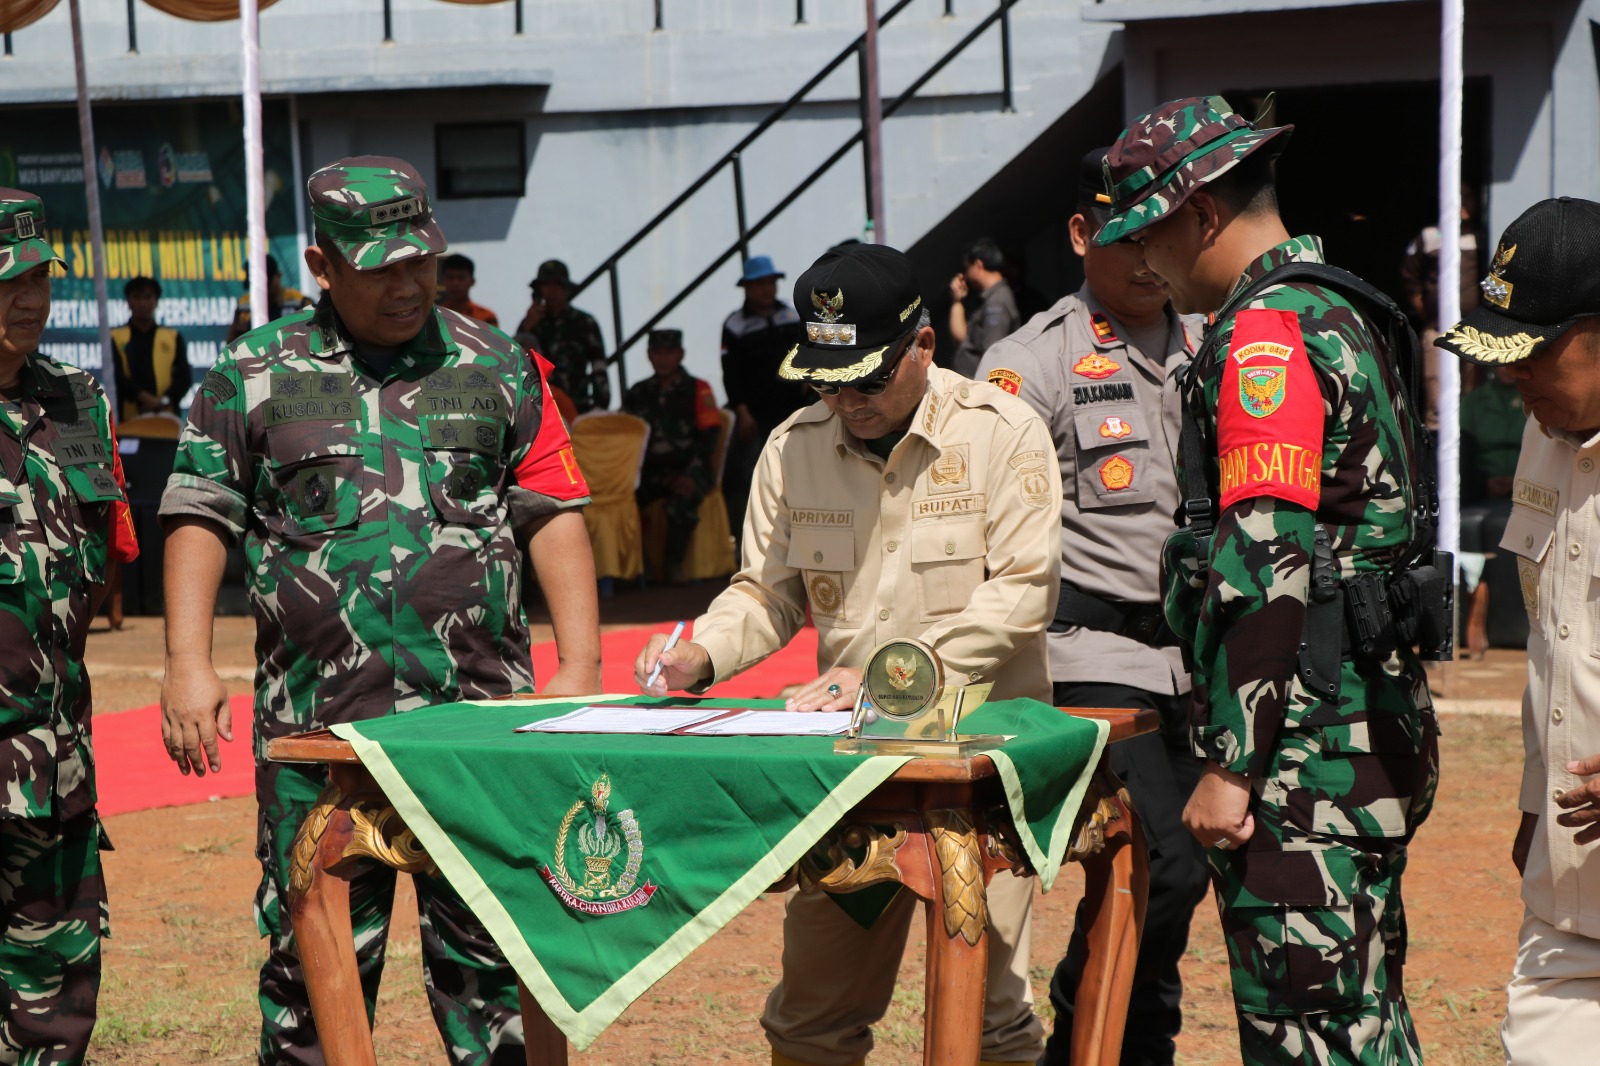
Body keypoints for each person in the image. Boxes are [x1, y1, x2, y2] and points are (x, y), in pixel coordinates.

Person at [157, 155, 602, 1066]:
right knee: (310, 980)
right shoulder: (252, 372)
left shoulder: (498, 364)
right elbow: (200, 512)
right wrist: (187, 661)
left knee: (497, 967)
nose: (407, 286)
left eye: (421, 263)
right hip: (318, 732)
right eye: (380, 269)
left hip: (477, 728)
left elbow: (552, 509)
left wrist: (582, 668)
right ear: (322, 267)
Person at [632, 242, 1062, 1066]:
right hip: (854, 774)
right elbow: (766, 593)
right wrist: (700, 656)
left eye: (865, 380)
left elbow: (1022, 593)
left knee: (992, 1020)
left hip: (980, 762)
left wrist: (889, 673)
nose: (846, 402)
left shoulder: (1002, 434)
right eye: (826, 382)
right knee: (811, 1019)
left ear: (923, 345)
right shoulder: (793, 447)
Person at [1098, 96, 1439, 1065]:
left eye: (1148, 234)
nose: (1141, 263)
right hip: (1356, 732)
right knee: (1359, 1024)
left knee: (1312, 1035)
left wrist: (1229, 765)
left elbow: (1266, 560)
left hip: (1304, 758)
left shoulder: (1263, 338)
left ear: (1202, 213)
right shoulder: (1336, 308)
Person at [978, 147, 1207, 1066]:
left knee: (1184, 876)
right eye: (1127, 237)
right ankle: (1083, 1035)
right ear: (1080, 234)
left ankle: (1136, 1046)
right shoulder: (1029, 363)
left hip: (1199, 658)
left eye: (1164, 235)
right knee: (1162, 863)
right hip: (1090, 657)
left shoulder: (1216, 342)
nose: (1149, 259)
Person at [1434, 196, 1600, 1064]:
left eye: (1533, 352)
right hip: (1570, 892)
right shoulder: (1547, 434)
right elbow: (1552, 640)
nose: (1514, 378)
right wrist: (1535, 805)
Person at [0, 188, 138, 1065]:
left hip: (51, 761)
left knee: (53, 993)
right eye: (6, 282)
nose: (29, 299)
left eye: (38, 279)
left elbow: (104, 548)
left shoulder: (77, 399)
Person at [720, 254, 809, 551]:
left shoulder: (791, 316)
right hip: (756, 417)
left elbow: (806, 351)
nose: (767, 289)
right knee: (756, 477)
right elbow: (731, 375)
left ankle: (800, 538)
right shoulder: (735, 325)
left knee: (800, 472)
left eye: (771, 283)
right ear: (747, 287)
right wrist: (741, 412)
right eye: (760, 284)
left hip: (793, 410)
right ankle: (760, 545)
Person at [623, 328, 723, 582]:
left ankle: (672, 566)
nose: (663, 359)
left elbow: (709, 438)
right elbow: (626, 436)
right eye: (657, 352)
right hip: (649, 472)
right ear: (649, 355)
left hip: (690, 468)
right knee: (619, 501)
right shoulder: (638, 392)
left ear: (681, 355)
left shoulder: (698, 388)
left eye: (669, 352)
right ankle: (641, 568)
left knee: (682, 500)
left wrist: (691, 473)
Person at [1400, 184, 1484, 427]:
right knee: (1436, 394)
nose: (1462, 205)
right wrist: (1427, 312)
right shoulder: (1430, 236)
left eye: (1468, 199)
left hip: (1473, 330)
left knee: (1472, 393)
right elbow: (1410, 278)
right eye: (1457, 199)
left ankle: (1467, 444)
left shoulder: (1480, 238)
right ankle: (1436, 444)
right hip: (1438, 329)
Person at [514, 259, 609, 413]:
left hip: (577, 405)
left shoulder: (585, 323)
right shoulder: (532, 322)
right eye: (547, 285)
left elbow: (598, 365)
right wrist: (526, 327)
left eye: (557, 286)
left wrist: (600, 404)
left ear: (566, 289)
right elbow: (514, 360)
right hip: (539, 406)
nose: (552, 291)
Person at [112, 275, 192, 420]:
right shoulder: (115, 337)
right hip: (127, 420)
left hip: (167, 419)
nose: (142, 303)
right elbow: (115, 376)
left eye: (148, 297)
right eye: (136, 298)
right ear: (128, 302)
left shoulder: (172, 337)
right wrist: (141, 396)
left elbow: (184, 378)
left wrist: (163, 401)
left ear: (156, 301)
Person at [947, 237, 1020, 378]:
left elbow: (992, 357)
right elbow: (961, 340)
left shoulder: (997, 302)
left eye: (967, 268)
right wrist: (957, 300)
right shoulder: (989, 299)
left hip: (981, 386)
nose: (965, 275)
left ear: (978, 264)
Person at [225, 255, 315, 344]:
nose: (262, 291)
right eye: (255, 287)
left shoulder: (299, 303)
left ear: (278, 276)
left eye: (266, 285)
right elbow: (231, 343)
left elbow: (313, 339)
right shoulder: (244, 306)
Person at [437, 253, 500, 326]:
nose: (455, 283)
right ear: (443, 281)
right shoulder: (437, 317)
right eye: (450, 277)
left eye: (461, 277)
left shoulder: (486, 317)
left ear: (472, 281)